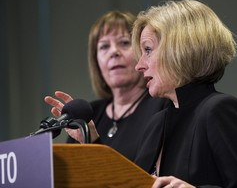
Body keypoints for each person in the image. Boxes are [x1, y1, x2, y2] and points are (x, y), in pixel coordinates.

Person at [132, 0, 237, 187]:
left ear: (180, 49)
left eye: (148, 50)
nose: (139, 65)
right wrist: (92, 140)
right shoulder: (157, 123)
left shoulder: (221, 110)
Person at [44, 11, 169, 162]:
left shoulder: (162, 106)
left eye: (124, 43)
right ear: (96, 60)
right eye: (104, 47)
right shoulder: (88, 115)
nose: (114, 52)